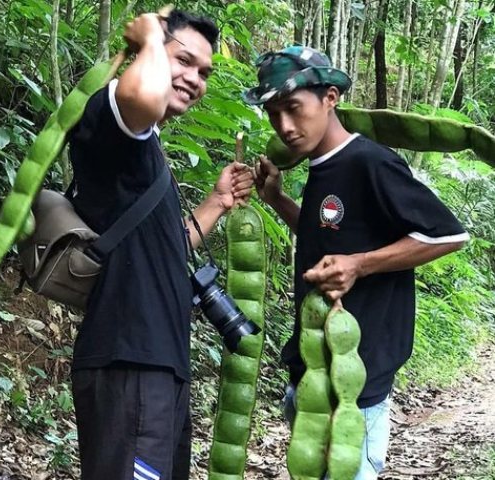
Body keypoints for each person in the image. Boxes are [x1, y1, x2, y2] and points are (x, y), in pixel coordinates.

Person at [243, 45, 469, 480]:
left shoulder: (369, 161)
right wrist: (277, 200)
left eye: (293, 108)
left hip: (356, 384)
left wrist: (360, 265)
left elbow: (448, 234)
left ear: (330, 98)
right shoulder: (321, 167)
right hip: (309, 378)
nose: (285, 126)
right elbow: (329, 238)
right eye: (274, 114)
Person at [65, 10, 253, 480]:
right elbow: (142, 96)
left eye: (204, 72)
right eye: (182, 60)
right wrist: (149, 38)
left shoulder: (146, 153)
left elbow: (167, 248)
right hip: (130, 361)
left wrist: (216, 203)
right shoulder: (116, 115)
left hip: (157, 365)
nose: (194, 79)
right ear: (148, 54)